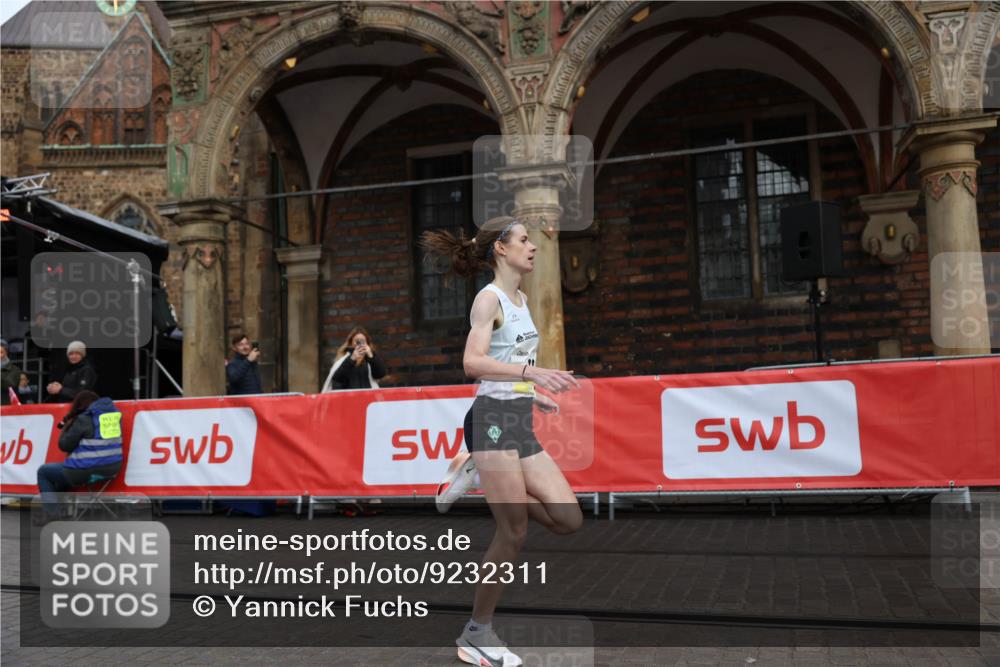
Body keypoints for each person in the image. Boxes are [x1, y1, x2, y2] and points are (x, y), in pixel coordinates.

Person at [421, 216, 583, 667]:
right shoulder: (487, 300)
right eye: (524, 240)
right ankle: (477, 633)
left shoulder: (522, 298)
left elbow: (510, 361)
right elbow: (473, 363)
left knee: (568, 519)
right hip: (490, 421)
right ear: (501, 249)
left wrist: (533, 395)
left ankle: (473, 471)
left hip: (516, 417)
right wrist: (532, 374)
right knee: (513, 531)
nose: (532, 247)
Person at [36, 390, 123, 517]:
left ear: (79, 406)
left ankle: (52, 514)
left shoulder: (84, 419)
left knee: (44, 472)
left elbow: (64, 445)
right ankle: (59, 509)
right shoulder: (114, 416)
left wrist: (67, 426)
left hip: (87, 470)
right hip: (112, 469)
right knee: (60, 478)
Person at [321, 327, 387, 391]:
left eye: (363, 341)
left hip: (367, 398)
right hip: (349, 398)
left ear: (367, 343)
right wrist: (352, 359)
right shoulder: (344, 360)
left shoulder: (370, 359)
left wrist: (370, 356)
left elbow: (381, 374)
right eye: (357, 341)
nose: (360, 344)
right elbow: (337, 378)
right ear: (351, 343)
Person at [1, 339, 22, 405]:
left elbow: (9, 385)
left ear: (6, 353)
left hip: (5, 408)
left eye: (1, 352)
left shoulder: (14, 369)